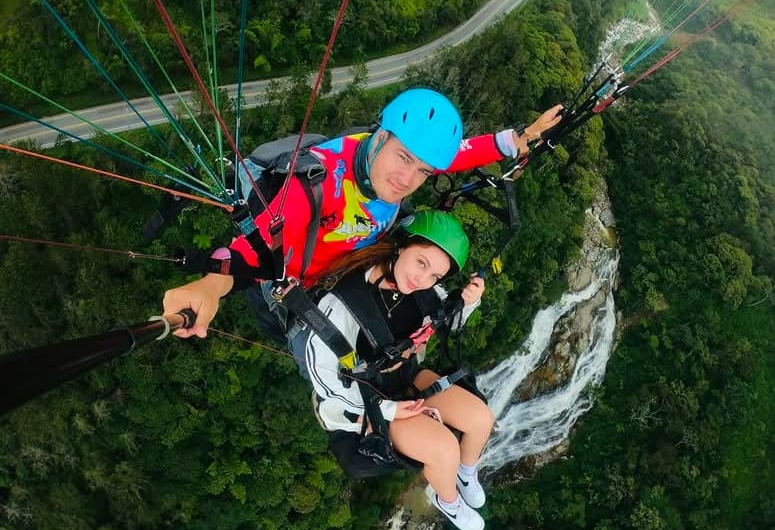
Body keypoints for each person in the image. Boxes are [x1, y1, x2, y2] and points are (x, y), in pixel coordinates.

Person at [162, 88, 563, 341]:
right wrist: (208, 288)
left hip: (341, 266)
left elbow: (455, 155)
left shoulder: (400, 153)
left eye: (423, 170)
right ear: (381, 136)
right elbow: (252, 250)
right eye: (404, 159)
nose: (409, 179)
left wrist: (518, 140)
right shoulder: (315, 185)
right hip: (289, 286)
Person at [306, 210, 494, 530]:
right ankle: (447, 500)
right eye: (421, 263)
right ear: (400, 246)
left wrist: (468, 303)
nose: (422, 280)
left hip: (404, 378)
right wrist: (388, 409)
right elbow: (322, 376)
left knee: (481, 420)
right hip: (365, 403)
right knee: (444, 448)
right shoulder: (342, 304)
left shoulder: (424, 294)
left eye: (435, 276)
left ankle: (465, 471)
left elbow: (444, 326)